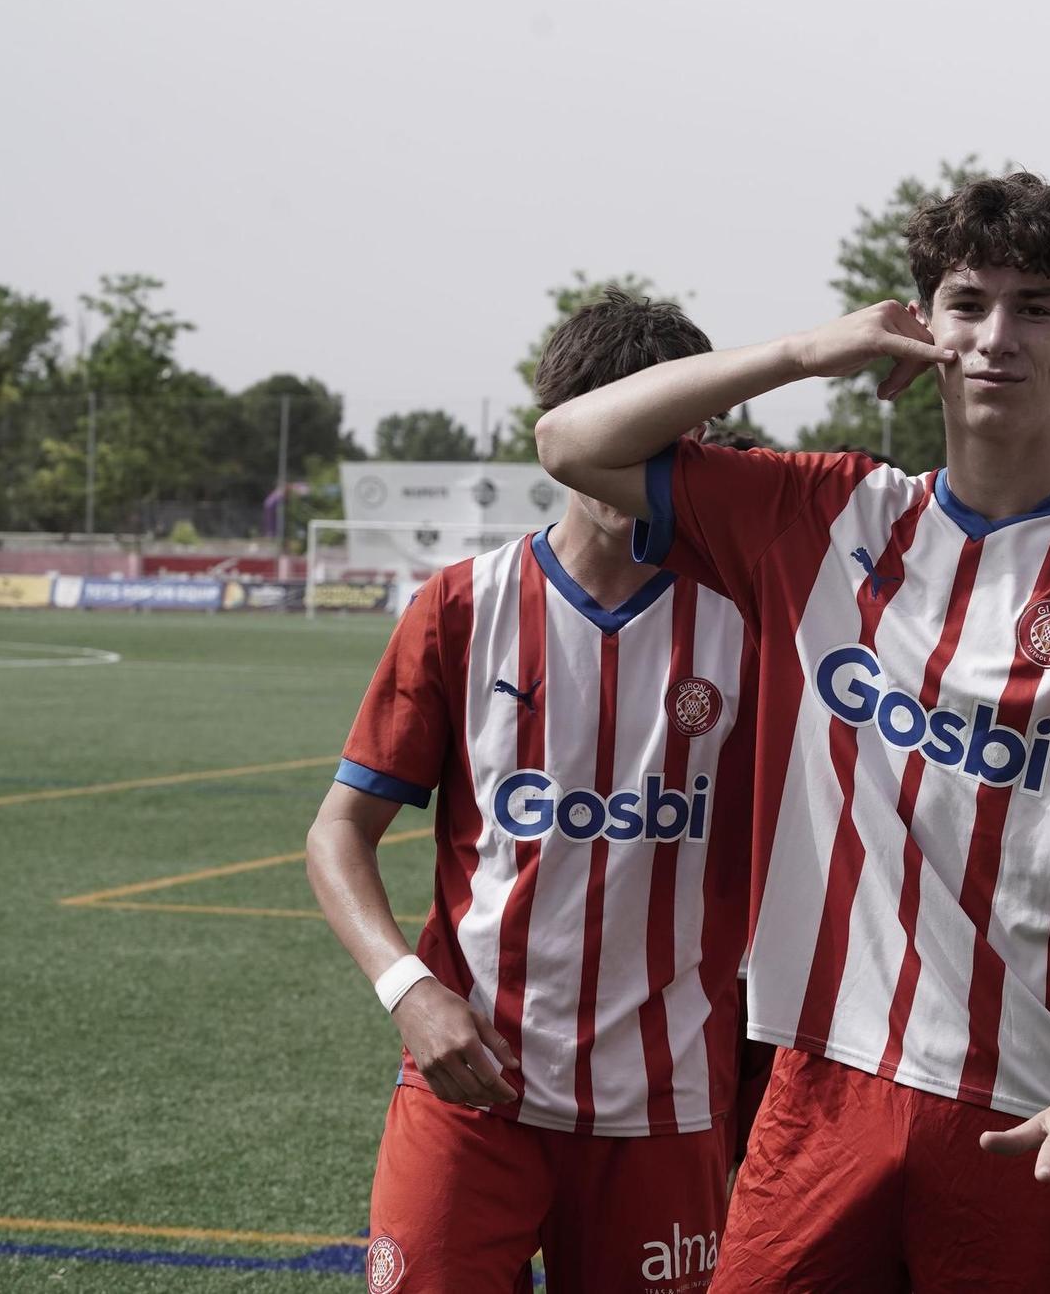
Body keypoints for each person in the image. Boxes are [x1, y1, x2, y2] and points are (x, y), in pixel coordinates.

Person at [535, 171, 1050, 1291]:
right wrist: (810, 351)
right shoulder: (823, 511)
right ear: (924, 327)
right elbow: (569, 440)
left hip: (1028, 1102)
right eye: (966, 302)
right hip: (822, 1079)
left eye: (1034, 306)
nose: (997, 335)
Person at [305, 292, 754, 1293]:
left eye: (669, 435)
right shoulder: (463, 606)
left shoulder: (748, 625)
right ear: (566, 433)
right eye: (617, 425)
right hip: (468, 1090)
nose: (637, 460)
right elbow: (339, 833)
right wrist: (405, 988)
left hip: (664, 1103)